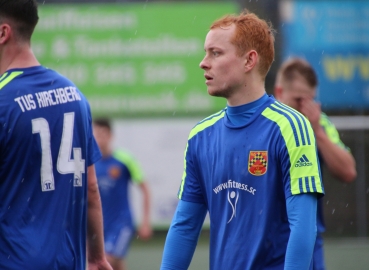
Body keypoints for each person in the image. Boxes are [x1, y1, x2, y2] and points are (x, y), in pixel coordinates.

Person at [160, 10, 324, 270]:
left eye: (216, 53)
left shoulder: (290, 127)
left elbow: (303, 226)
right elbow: (185, 226)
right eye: (206, 52)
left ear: (249, 61)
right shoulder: (200, 136)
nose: (204, 62)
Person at [0, 1, 111, 269]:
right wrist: (97, 257)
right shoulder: (74, 95)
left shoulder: (3, 100)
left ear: (3, 33)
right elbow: (92, 189)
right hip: (69, 262)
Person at [274, 57, 357, 270]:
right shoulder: (267, 123)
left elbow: (348, 171)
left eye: (310, 101)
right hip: (266, 238)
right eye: (299, 100)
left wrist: (317, 131)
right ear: (279, 92)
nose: (305, 108)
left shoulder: (318, 122)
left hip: (307, 237)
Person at [93, 118, 153, 270]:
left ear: (111, 136)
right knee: (117, 265)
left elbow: (145, 189)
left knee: (106, 261)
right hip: (99, 226)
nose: (100, 139)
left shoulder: (124, 159)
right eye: (96, 135)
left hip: (122, 223)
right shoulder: (90, 163)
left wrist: (145, 221)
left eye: (103, 134)